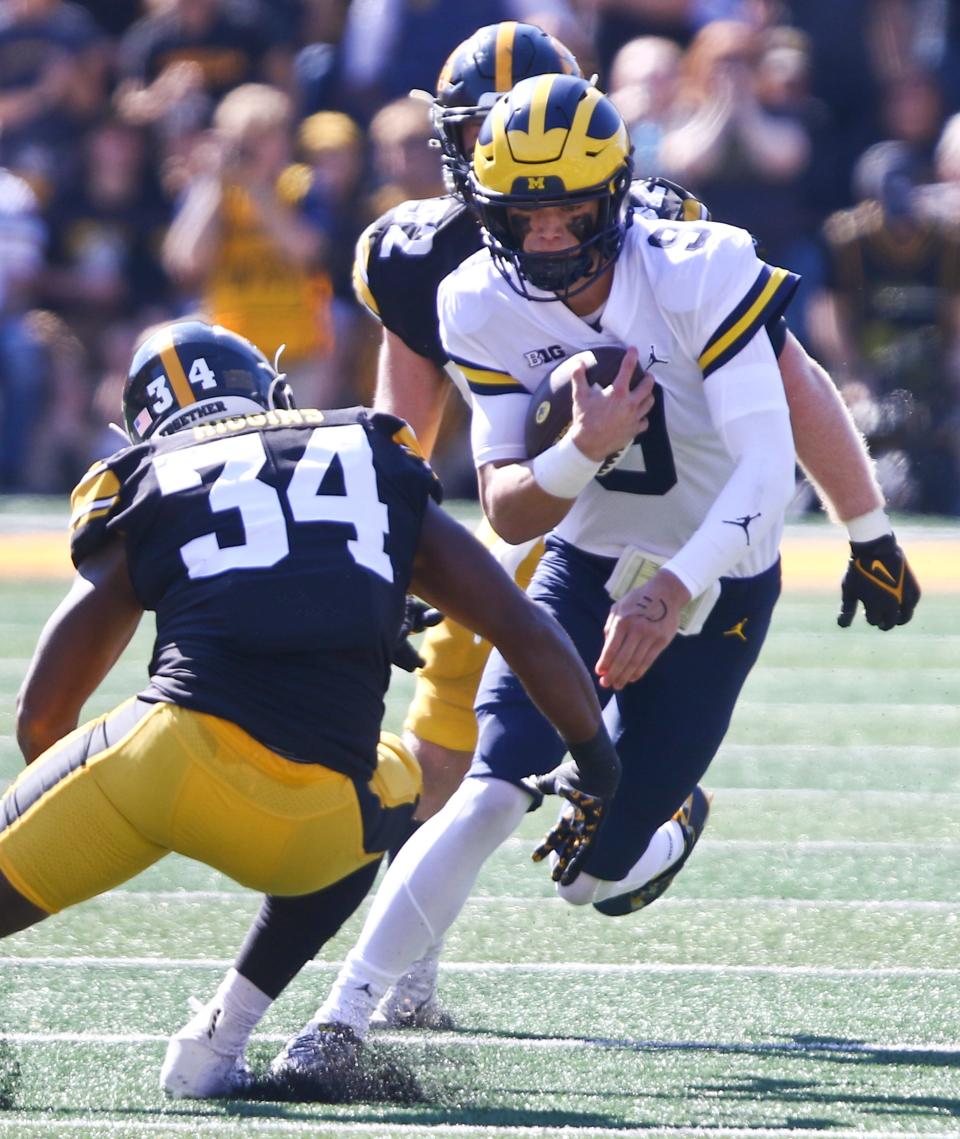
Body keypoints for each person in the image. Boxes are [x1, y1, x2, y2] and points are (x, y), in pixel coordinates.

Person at [162, 21, 923, 1097]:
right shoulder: (472, 294)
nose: (556, 232)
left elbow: (764, 473)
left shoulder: (700, 261)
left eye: (576, 204)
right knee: (485, 786)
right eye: (527, 208)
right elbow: (510, 508)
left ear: (618, 187)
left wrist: (808, 545)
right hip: (584, 552)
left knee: (593, 877)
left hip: (719, 563)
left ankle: (643, 834)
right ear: (482, 197)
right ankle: (340, 1021)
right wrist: (582, 449)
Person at [1, 317, 622, 1095]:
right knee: (393, 783)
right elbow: (520, 627)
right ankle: (216, 1045)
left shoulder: (151, 475)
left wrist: (85, 815)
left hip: (163, 764)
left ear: (145, 430)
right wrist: (598, 763)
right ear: (273, 389)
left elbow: (42, 713)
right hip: (317, 827)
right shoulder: (368, 448)